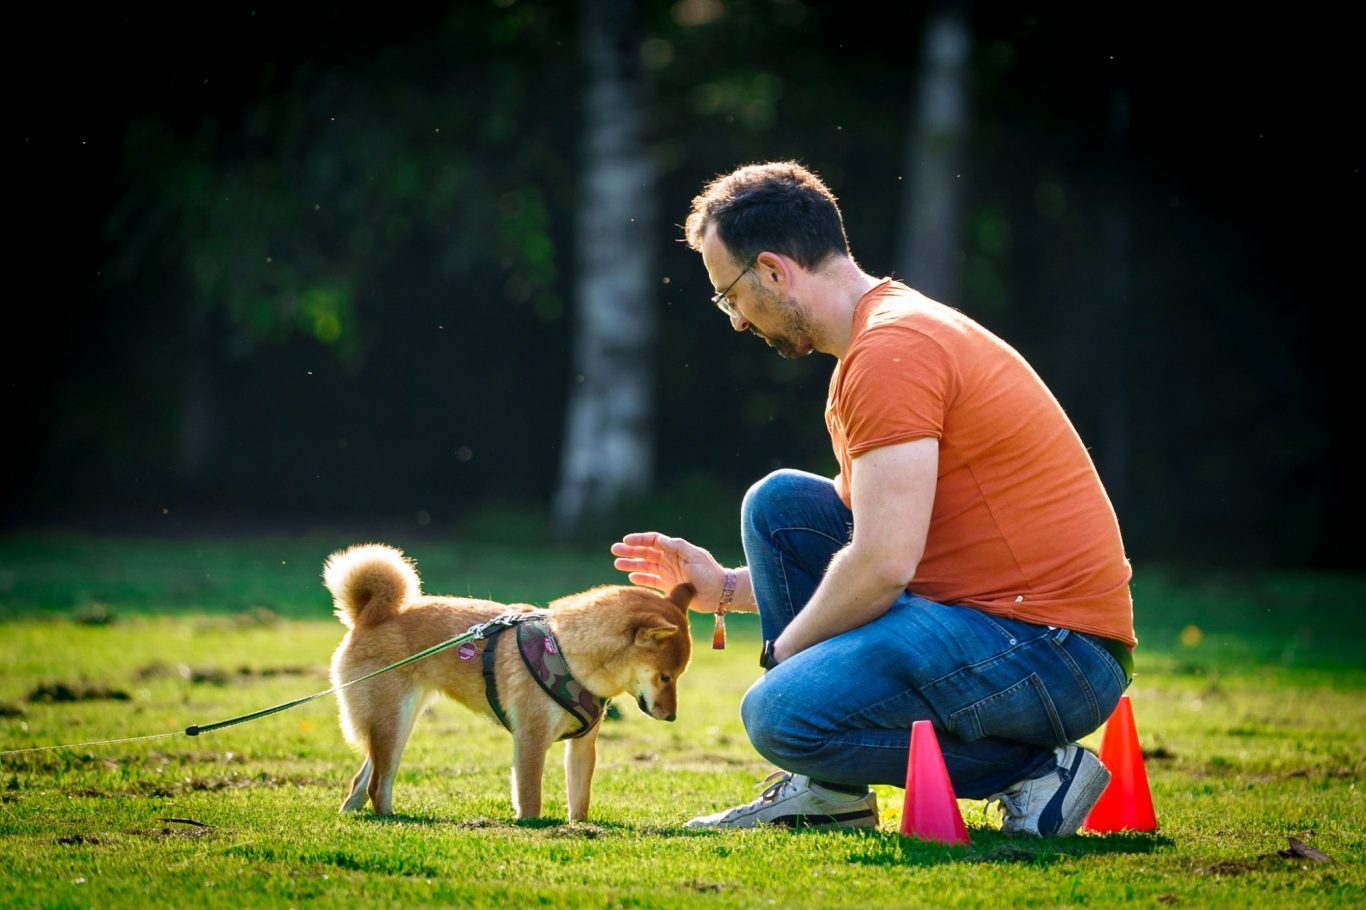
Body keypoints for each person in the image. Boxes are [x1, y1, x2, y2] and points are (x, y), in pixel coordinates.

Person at [610, 161, 1134, 836]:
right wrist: (725, 588)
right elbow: (855, 533)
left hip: (1054, 651)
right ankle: (832, 793)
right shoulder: (880, 340)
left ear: (773, 271)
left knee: (779, 712)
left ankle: (1034, 775)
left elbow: (884, 563)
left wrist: (785, 654)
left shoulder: (892, 351)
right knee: (781, 508)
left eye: (728, 295)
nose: (735, 321)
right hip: (1017, 631)